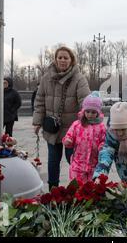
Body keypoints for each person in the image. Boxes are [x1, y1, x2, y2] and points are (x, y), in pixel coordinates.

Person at [33, 46, 91, 190]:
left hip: (73, 130)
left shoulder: (79, 78)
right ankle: (53, 190)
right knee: (53, 160)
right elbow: (40, 100)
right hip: (52, 128)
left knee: (74, 160)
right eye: (60, 57)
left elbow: (86, 101)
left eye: (66, 58)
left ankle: (80, 189)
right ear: (55, 59)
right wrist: (37, 122)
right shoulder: (46, 77)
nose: (62, 60)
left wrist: (88, 123)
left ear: (71, 60)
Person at [62, 92, 106, 183]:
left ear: (98, 112)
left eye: (93, 112)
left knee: (92, 189)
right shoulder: (77, 125)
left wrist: (102, 146)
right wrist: (68, 141)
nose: (90, 114)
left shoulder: (101, 127)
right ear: (84, 111)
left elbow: (104, 140)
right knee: (78, 188)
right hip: (78, 164)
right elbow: (69, 135)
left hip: (94, 165)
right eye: (88, 111)